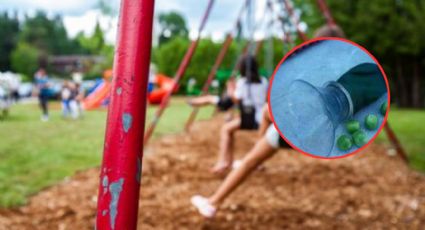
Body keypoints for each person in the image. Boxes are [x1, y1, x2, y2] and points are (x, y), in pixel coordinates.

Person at [191, 107, 291, 218]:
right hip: (311, 139)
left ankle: (213, 203)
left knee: (248, 162)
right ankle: (256, 152)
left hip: (289, 130)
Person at [211, 55, 268, 175]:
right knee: (260, 138)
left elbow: (236, 99)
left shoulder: (242, 82)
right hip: (263, 119)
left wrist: (230, 89)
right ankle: (255, 163)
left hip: (249, 118)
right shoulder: (264, 81)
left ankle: (223, 161)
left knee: (226, 129)